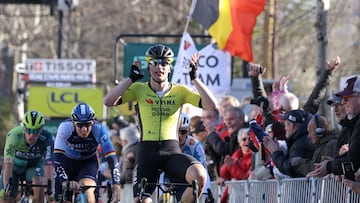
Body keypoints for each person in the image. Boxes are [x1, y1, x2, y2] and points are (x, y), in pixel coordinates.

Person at [103, 44, 217, 203]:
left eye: (164, 63)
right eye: (155, 63)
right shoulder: (138, 89)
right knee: (142, 201)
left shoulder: (180, 91)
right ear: (148, 66)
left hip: (171, 151)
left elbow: (211, 105)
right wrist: (130, 79)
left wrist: (195, 78)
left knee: (199, 176)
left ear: (170, 67)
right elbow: (108, 101)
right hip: (147, 153)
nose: (159, 67)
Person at [52, 103, 121, 203]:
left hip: (87, 163)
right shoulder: (65, 127)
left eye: (88, 124)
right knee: (63, 197)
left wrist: (116, 185)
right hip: (66, 163)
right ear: (73, 123)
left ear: (92, 122)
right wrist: (64, 181)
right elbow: (57, 159)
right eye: (80, 125)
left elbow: (112, 159)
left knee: (88, 191)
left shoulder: (99, 129)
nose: (84, 129)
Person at [0, 110, 53, 203]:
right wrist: (7, 187)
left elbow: (48, 164)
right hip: (14, 167)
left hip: (33, 166)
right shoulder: (14, 135)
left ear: (41, 129)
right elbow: (8, 164)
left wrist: (49, 189)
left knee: (39, 186)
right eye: (29, 130)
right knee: (6, 197)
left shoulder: (47, 138)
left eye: (36, 131)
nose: (31, 135)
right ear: (24, 127)